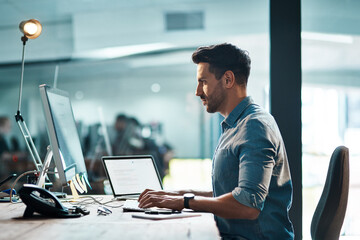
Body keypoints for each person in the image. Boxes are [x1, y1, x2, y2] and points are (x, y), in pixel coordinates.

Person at [138, 43, 294, 239]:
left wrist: (184, 202)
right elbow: (229, 193)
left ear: (228, 79)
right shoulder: (234, 125)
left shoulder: (255, 126)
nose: (197, 91)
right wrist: (176, 195)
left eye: (203, 81)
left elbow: (247, 205)